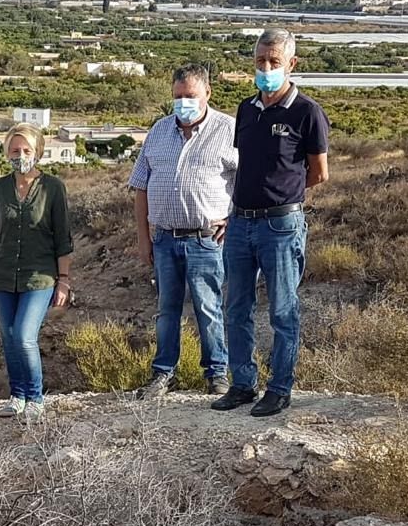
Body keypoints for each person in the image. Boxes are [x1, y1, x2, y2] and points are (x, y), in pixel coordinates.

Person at [215, 28, 330, 418]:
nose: (266, 69)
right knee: (236, 307)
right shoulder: (246, 109)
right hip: (240, 223)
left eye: (274, 62)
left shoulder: (307, 112)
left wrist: (283, 195)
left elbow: (318, 173)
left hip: (281, 226)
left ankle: (279, 389)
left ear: (291, 64)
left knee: (282, 309)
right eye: (260, 61)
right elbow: (247, 165)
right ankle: (242, 384)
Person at [128, 63, 238, 399]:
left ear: (208, 93)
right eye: (177, 96)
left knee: (208, 308)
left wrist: (233, 219)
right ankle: (163, 374)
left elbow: (248, 180)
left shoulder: (229, 130)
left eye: (190, 96)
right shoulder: (159, 131)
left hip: (206, 239)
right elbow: (140, 186)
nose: (183, 103)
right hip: (164, 238)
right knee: (167, 311)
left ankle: (217, 374)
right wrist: (143, 238)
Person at [0, 122, 72, 421]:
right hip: (3, 275)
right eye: (15, 150)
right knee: (9, 338)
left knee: (24, 336)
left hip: (39, 276)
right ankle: (17, 396)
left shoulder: (53, 188)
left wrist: (64, 281)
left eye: (27, 150)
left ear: (38, 152)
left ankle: (35, 398)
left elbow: (63, 238)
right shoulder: (0, 187)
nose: (21, 156)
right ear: (7, 153)